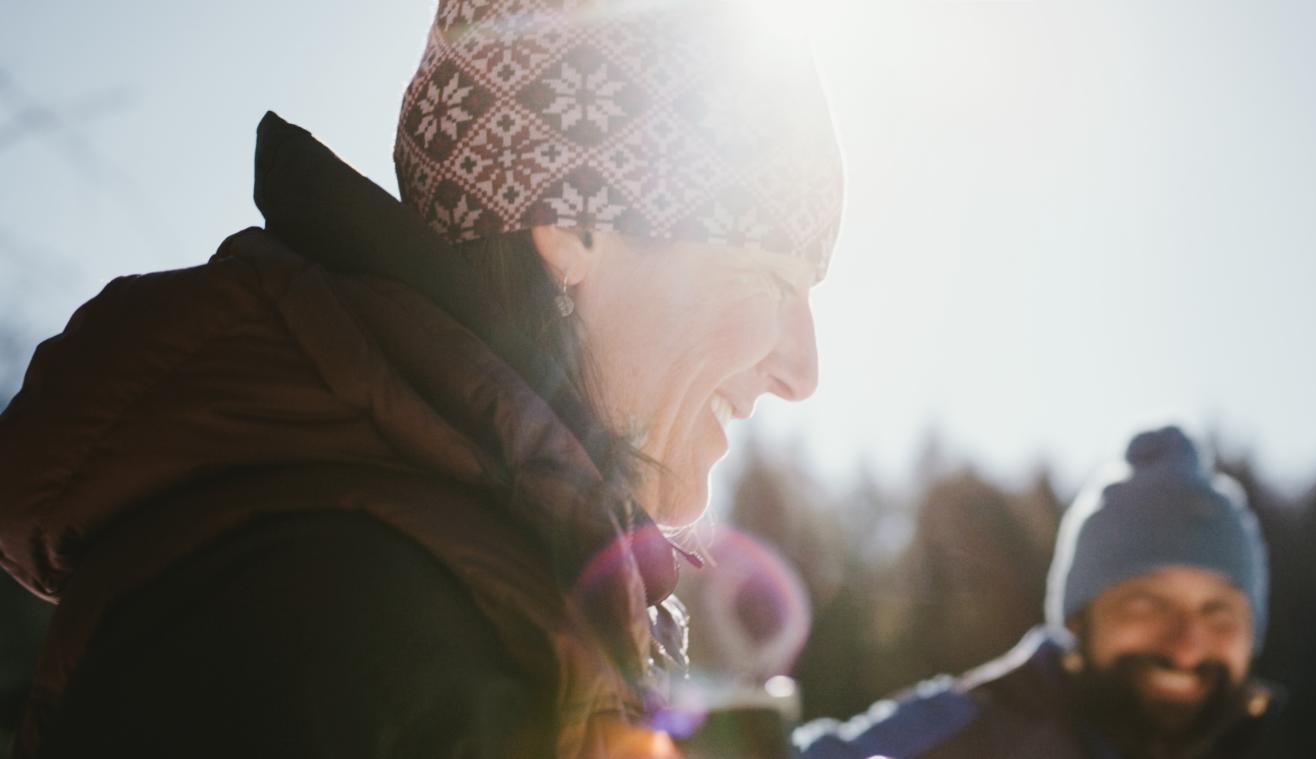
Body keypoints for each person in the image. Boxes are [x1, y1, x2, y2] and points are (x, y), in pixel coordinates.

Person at [0, 1, 843, 757]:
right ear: (574, 226)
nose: (801, 370)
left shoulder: (457, 568)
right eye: (769, 279)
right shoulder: (342, 614)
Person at [794, 426, 1276, 759]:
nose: (1187, 644)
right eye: (1148, 603)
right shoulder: (970, 734)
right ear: (1078, 618)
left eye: (1219, 612)